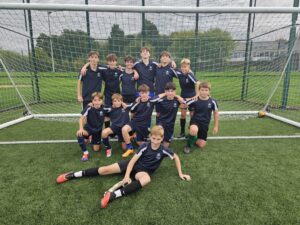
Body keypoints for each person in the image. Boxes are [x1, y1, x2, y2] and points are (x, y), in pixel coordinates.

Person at [56, 125, 191, 209]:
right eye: (153, 139)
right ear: (150, 137)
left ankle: (113, 195)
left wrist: (181, 173)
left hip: (142, 171)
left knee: (146, 179)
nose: (155, 141)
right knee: (104, 170)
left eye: (158, 139)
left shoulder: (163, 150)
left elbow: (176, 157)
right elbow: (132, 162)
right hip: (131, 166)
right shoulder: (144, 146)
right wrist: (126, 176)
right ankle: (73, 174)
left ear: (162, 139)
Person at [121, 84, 165, 158]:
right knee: (124, 129)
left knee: (141, 144)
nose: (144, 95)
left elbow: (160, 95)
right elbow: (129, 107)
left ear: (148, 93)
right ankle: (130, 148)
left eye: (145, 93)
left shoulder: (151, 100)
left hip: (144, 125)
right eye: (142, 93)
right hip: (134, 122)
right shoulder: (137, 102)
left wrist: (168, 93)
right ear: (139, 94)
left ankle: (134, 137)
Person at [183, 81, 219, 154]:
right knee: (193, 129)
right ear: (199, 91)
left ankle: (191, 137)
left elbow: (216, 113)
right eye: (202, 90)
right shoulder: (195, 99)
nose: (204, 92)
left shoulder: (213, 101)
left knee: (201, 145)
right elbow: (184, 103)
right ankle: (188, 146)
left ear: (209, 91)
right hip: (195, 121)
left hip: (205, 124)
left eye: (206, 90)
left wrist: (216, 126)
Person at [76, 92, 106, 161]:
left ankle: (92, 139)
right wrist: (81, 129)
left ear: (102, 101)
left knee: (96, 149)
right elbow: (81, 118)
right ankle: (85, 153)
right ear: (92, 101)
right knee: (79, 134)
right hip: (88, 129)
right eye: (95, 100)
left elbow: (114, 109)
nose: (97, 102)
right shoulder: (89, 107)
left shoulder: (104, 108)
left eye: (99, 100)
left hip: (97, 131)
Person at [101, 93, 132, 157]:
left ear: (121, 101)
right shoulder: (109, 109)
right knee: (104, 132)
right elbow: (100, 108)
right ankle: (108, 148)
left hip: (124, 129)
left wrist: (126, 104)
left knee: (124, 149)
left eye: (119, 101)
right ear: (112, 102)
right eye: (115, 101)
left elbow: (134, 105)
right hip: (114, 127)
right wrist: (91, 105)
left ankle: (130, 137)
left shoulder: (126, 107)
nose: (117, 103)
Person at [155, 82, 185, 147]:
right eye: (168, 91)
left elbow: (184, 103)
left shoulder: (177, 100)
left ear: (175, 91)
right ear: (165, 91)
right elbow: (157, 113)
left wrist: (177, 96)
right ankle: (156, 135)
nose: (170, 93)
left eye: (172, 91)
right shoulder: (161, 100)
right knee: (157, 141)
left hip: (170, 125)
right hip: (161, 123)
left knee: (165, 146)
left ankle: (166, 137)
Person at [175, 58, 198, 138]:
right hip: (183, 96)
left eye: (186, 67)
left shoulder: (190, 75)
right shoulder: (179, 72)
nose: (184, 68)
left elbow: (197, 83)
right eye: (182, 66)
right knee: (183, 114)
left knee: (192, 115)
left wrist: (197, 95)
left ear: (189, 67)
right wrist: (172, 62)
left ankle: (191, 132)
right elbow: (172, 68)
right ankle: (182, 132)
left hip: (192, 97)